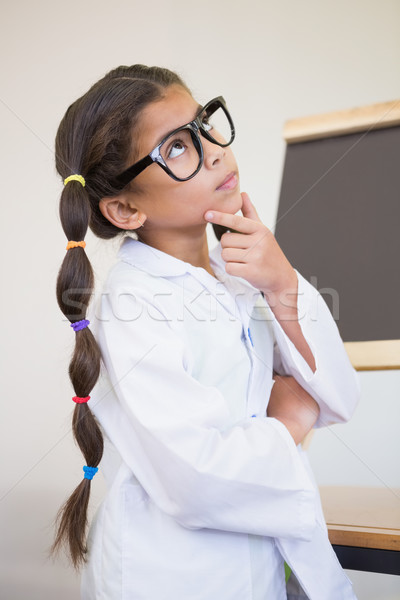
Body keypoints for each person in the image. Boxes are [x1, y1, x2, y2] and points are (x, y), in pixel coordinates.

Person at [52, 64, 360, 600]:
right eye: (175, 148)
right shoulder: (133, 304)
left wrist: (283, 282)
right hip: (172, 575)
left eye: (204, 125)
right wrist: (287, 421)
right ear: (125, 208)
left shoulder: (240, 271)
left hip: (254, 562)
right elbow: (196, 480)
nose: (213, 150)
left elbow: (338, 395)